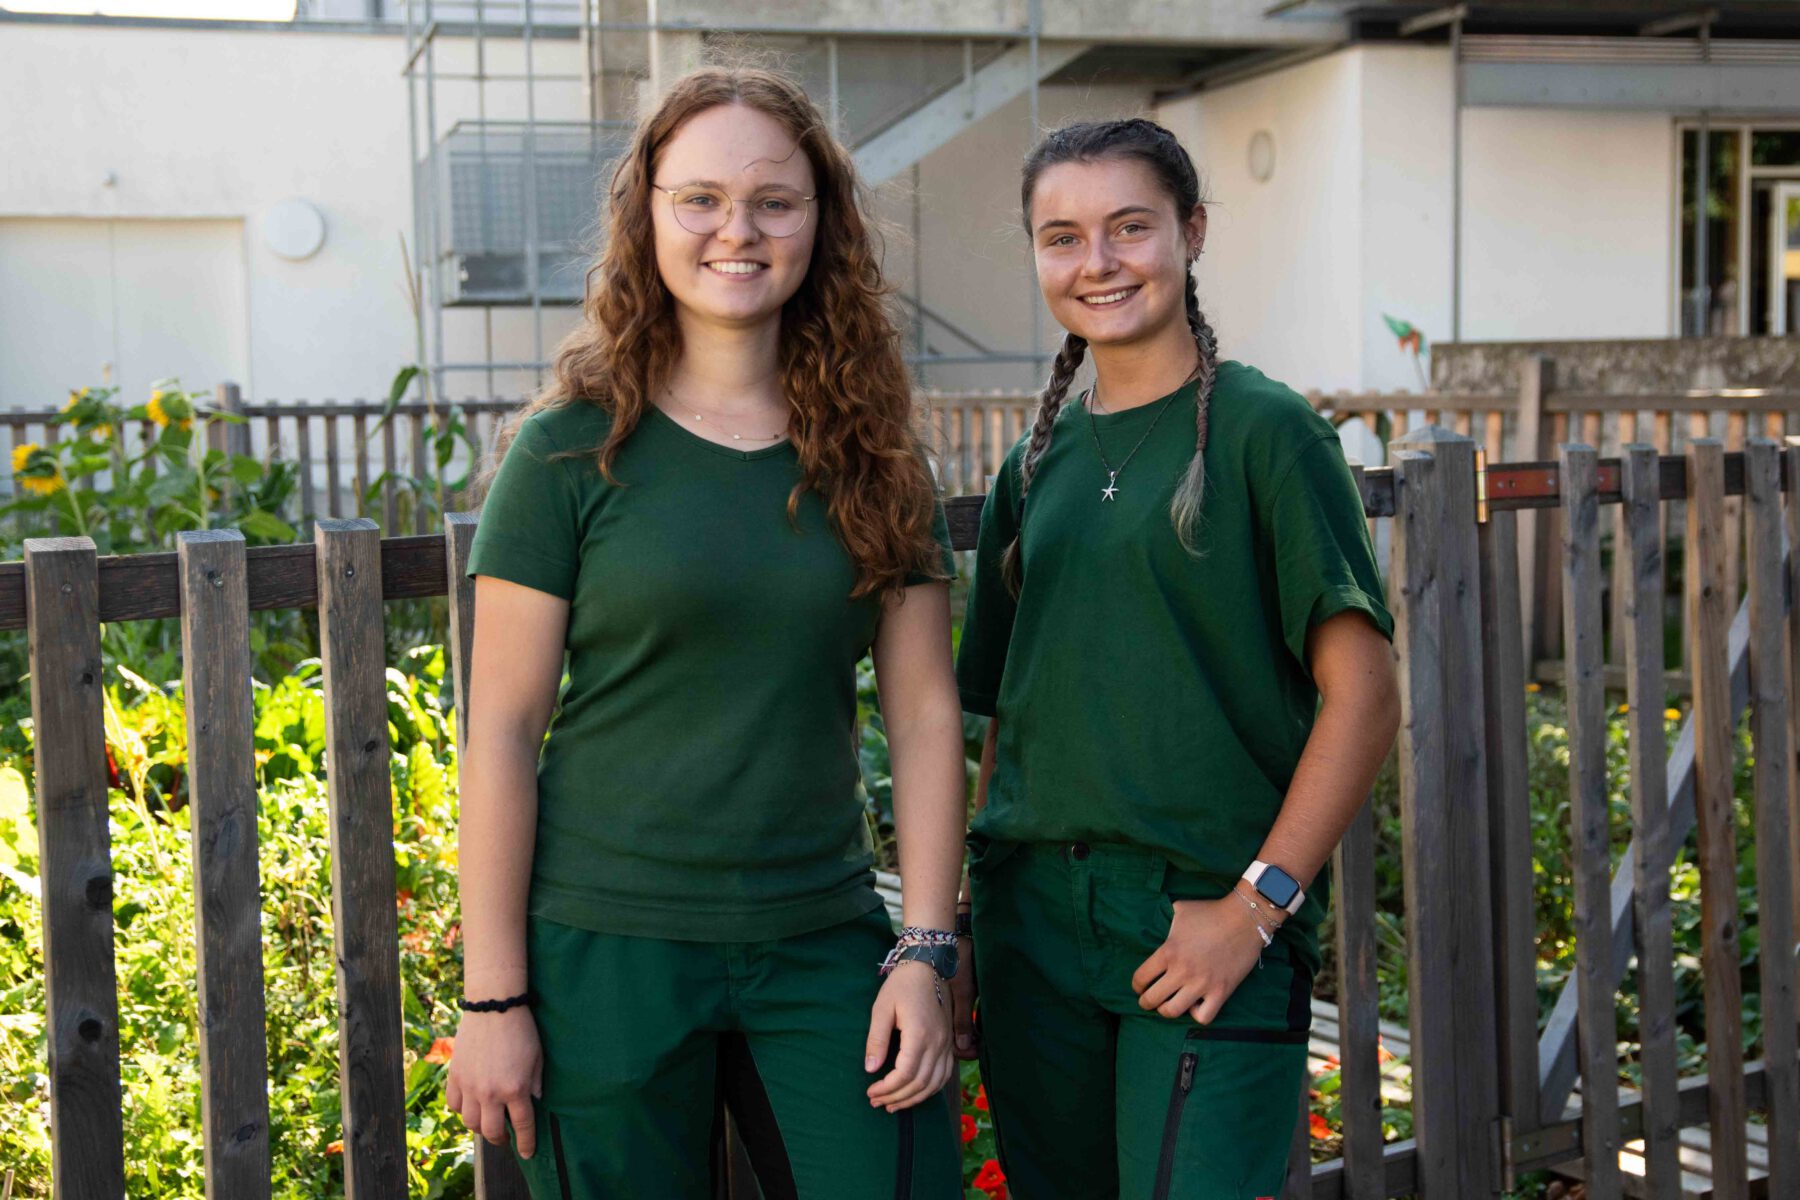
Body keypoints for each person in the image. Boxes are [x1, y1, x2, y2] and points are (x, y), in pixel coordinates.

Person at [446, 65, 966, 1199]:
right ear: (648, 215)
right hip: (604, 949)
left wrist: (925, 951)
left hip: (821, 934)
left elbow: (927, 716)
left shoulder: (875, 456)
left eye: (775, 201)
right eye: (701, 199)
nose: (739, 229)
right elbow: (501, 734)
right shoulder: (568, 451)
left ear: (819, 222)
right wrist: (495, 998)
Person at [949, 118, 1401, 1199]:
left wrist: (1255, 907)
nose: (1096, 262)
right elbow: (1010, 717)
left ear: (1191, 233)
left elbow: (1367, 695)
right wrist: (971, 927)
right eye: (1062, 236)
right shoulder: (1036, 460)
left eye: (1130, 227)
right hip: (1033, 928)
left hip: (1200, 915)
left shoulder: (1266, 434)